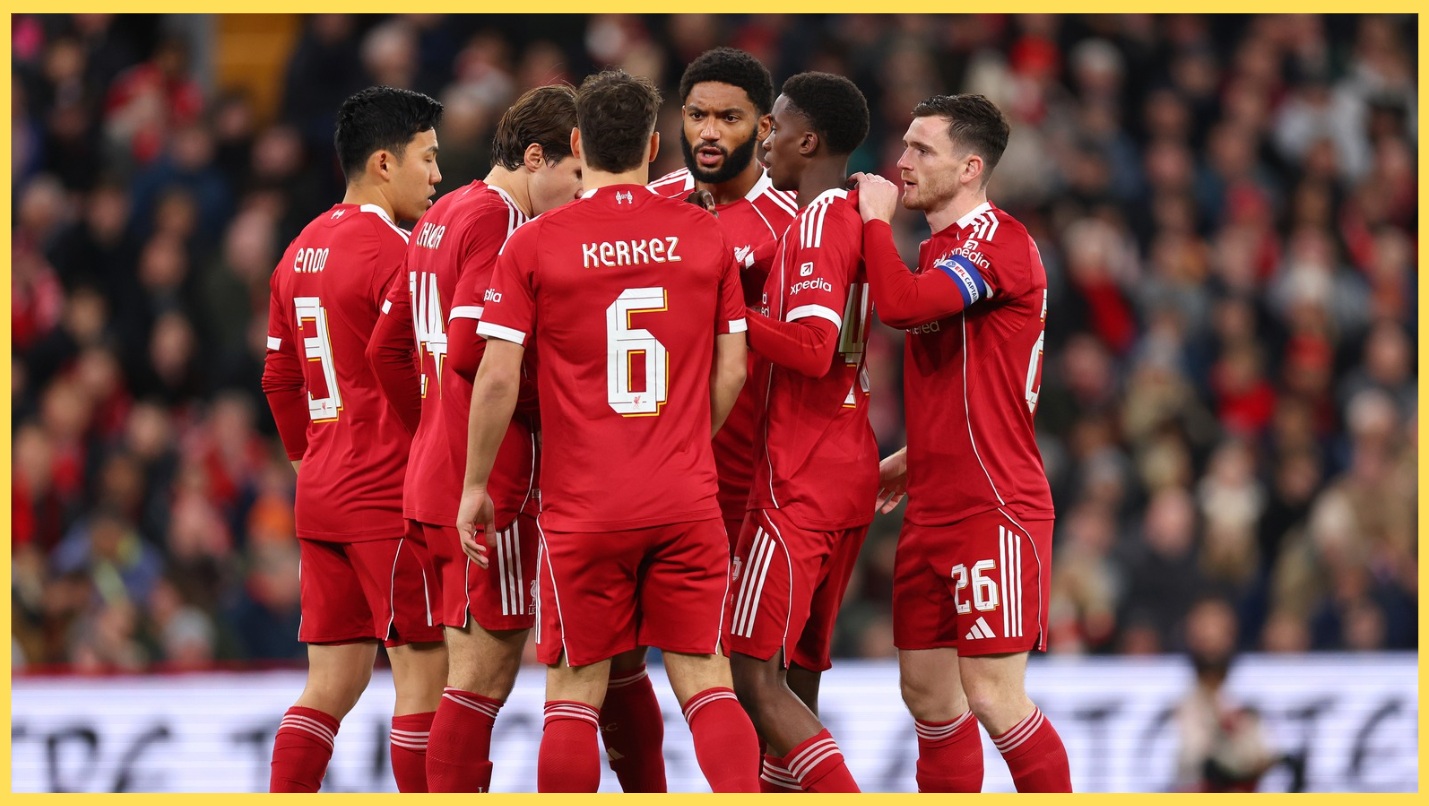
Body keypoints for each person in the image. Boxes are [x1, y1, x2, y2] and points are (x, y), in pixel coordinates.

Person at [456, 69, 759, 793]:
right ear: (656, 145)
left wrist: (473, 484)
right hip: (684, 496)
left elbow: (496, 376)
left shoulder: (535, 245)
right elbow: (734, 371)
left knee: (572, 691)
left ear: (576, 143)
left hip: (584, 506)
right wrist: (686, 440)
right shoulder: (702, 234)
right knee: (707, 683)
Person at [850, 93, 1072, 792]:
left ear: (970, 167)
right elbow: (982, 380)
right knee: (928, 699)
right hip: (934, 507)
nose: (902, 161)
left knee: (992, 697)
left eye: (922, 150)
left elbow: (901, 308)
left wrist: (873, 225)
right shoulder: (942, 248)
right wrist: (921, 456)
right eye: (904, 145)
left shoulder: (997, 242)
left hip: (993, 508)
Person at [365, 84, 582, 792]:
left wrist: (431, 425)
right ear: (533, 157)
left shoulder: (443, 211)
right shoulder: (499, 222)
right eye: (576, 174)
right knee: (481, 682)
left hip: (432, 474)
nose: (583, 192)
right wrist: (553, 403)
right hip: (489, 483)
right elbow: (470, 351)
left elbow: (385, 349)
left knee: (457, 681)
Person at [601, 46, 796, 793]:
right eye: (696, 115)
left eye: (728, 117)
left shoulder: (792, 223)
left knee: (749, 676)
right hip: (653, 477)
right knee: (619, 661)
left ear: (765, 127)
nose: (709, 132)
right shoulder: (653, 203)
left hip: (750, 487)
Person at [260, 85, 447, 793]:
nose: (436, 176)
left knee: (330, 684)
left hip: (323, 494)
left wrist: (312, 460)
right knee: (426, 672)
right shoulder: (398, 252)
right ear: (381, 163)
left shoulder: (298, 248)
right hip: (388, 495)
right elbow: (403, 364)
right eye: (427, 159)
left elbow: (279, 378)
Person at [725, 71, 877, 794]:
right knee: (798, 676)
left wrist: (723, 311)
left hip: (800, 478)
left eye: (774, 125)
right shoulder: (850, 220)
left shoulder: (815, 220)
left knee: (751, 674)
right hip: (845, 467)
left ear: (806, 140)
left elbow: (813, 347)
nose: (766, 137)